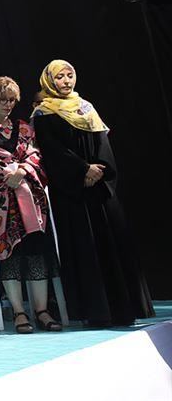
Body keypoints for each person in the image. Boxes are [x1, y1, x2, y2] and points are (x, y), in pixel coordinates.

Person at [32, 59, 153, 327]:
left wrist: (98, 169)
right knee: (84, 249)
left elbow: (102, 142)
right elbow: (51, 151)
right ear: (49, 81)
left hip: (99, 190)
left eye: (69, 75)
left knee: (112, 245)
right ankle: (96, 312)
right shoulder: (43, 113)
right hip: (72, 194)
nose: (66, 81)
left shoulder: (86, 107)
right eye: (60, 77)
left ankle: (124, 309)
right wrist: (82, 170)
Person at [0, 77, 62, 333]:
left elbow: (34, 155)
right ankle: (19, 312)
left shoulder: (23, 127)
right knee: (10, 256)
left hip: (31, 202)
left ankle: (41, 311)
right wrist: (7, 174)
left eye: (12, 100)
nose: (8, 104)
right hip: (1, 203)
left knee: (36, 252)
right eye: (3, 99)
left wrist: (21, 170)